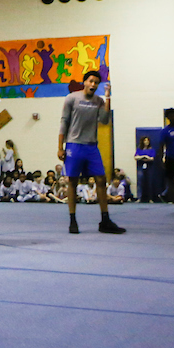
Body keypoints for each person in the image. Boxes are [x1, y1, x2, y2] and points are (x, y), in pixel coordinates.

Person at [58, 71, 124, 234]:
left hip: (91, 146)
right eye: (91, 81)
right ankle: (73, 220)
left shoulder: (99, 101)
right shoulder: (72, 98)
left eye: (96, 82)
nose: (93, 85)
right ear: (85, 82)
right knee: (72, 182)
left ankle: (105, 220)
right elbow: (64, 122)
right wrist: (60, 147)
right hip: (74, 145)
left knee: (101, 180)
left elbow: (104, 119)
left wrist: (108, 98)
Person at [134, 136, 156, 203]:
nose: (146, 142)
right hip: (141, 166)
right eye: (145, 140)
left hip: (149, 167)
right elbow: (135, 157)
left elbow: (152, 158)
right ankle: (139, 198)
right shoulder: (139, 149)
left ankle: (150, 198)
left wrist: (147, 158)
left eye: (147, 141)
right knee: (140, 181)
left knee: (149, 182)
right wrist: (142, 157)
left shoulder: (152, 149)